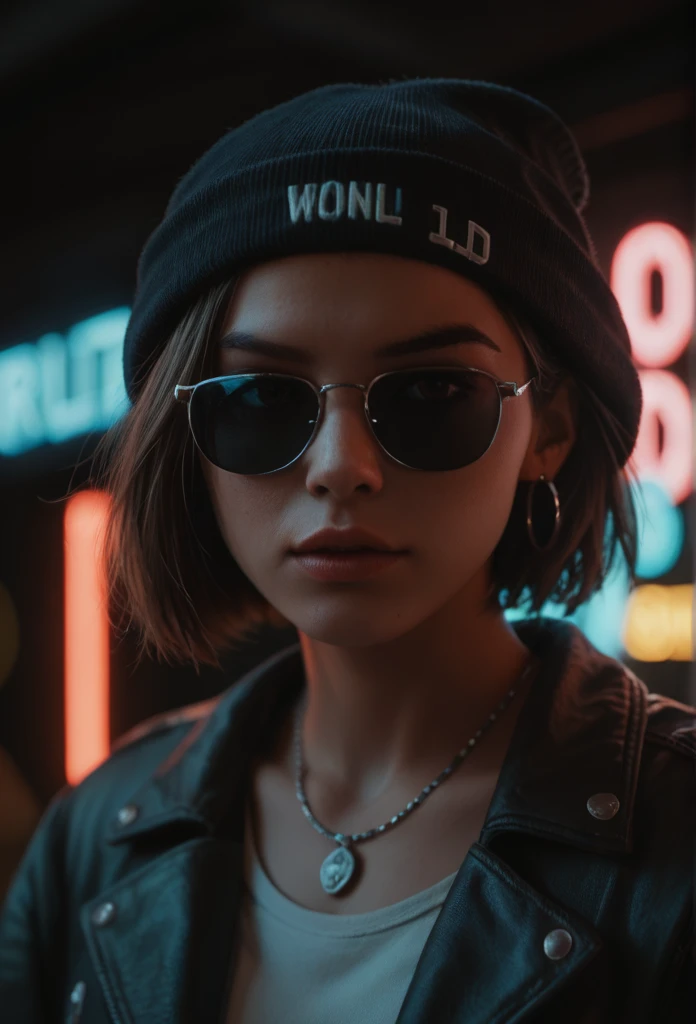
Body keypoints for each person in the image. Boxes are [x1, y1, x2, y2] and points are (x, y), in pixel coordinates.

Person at [0, 78, 694, 1024]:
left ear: (551, 428)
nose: (341, 468)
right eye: (262, 400)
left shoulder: (677, 831)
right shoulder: (99, 835)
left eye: (431, 395)